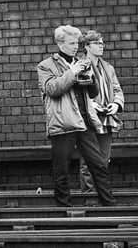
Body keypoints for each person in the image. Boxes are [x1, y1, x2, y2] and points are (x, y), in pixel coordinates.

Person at [37, 25, 115, 207]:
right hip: (63, 123)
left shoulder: (80, 62)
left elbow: (94, 92)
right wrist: (73, 72)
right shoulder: (45, 66)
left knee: (99, 165)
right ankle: (65, 209)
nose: (75, 47)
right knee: (62, 170)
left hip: (85, 122)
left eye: (77, 43)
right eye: (71, 43)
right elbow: (51, 89)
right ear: (59, 43)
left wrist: (90, 77)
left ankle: (109, 205)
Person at [78, 30, 124, 193]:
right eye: (98, 43)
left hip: (107, 118)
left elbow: (117, 89)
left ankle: (102, 193)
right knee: (88, 159)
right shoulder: (80, 65)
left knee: (104, 159)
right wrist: (91, 104)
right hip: (88, 118)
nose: (101, 46)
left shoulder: (108, 68)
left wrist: (116, 105)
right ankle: (89, 193)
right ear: (87, 46)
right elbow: (78, 91)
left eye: (102, 43)